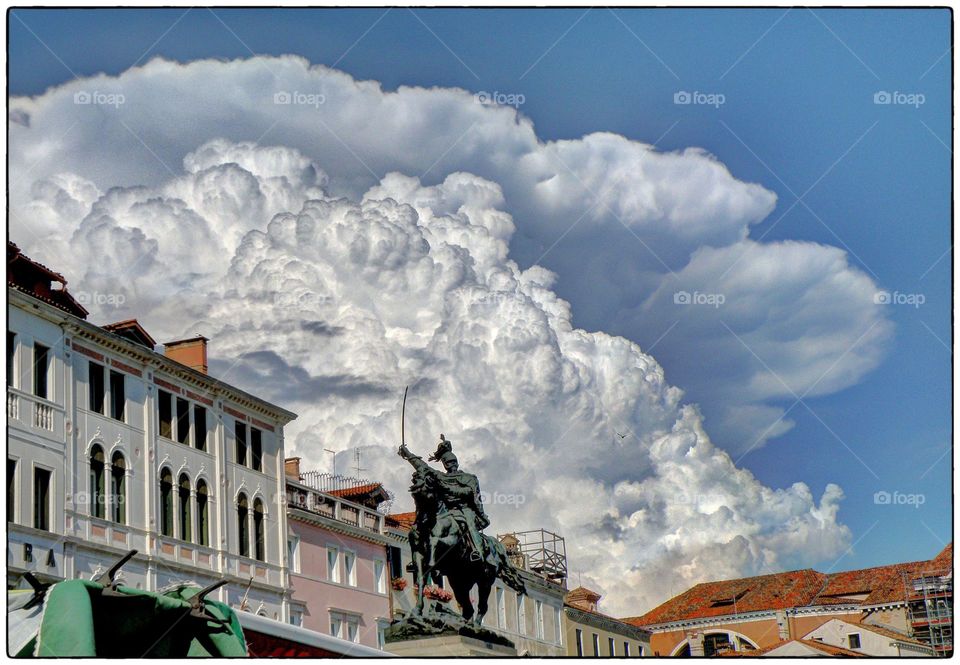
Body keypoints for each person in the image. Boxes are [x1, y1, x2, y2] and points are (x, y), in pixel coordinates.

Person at [400, 435, 490, 562]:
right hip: (446, 510)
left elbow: (468, 492)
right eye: (448, 463)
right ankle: (419, 553)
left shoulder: (469, 478)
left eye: (453, 462)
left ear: (457, 463)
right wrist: (408, 454)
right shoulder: (441, 477)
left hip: (464, 509)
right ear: (444, 464)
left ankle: (477, 551)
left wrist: (446, 488)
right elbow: (423, 467)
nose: (451, 465)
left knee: (470, 525)